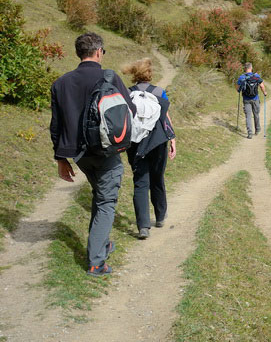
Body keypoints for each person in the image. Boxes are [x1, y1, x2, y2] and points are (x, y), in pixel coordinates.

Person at [50, 32, 135, 277]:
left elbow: (56, 125)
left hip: (79, 154)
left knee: (100, 195)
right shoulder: (109, 77)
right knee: (106, 202)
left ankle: (101, 244)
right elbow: (129, 110)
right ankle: (97, 261)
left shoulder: (61, 83)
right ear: (99, 52)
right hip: (107, 151)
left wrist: (61, 159)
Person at [123, 58, 176, 240]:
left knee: (140, 181)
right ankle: (160, 216)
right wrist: (172, 140)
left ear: (134, 74)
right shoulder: (159, 92)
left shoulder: (127, 94)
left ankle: (143, 226)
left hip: (135, 144)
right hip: (157, 141)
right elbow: (165, 118)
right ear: (150, 74)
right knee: (157, 177)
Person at [236, 62, 266, 138]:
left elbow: (237, 88)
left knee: (248, 116)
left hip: (246, 99)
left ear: (245, 68)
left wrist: (240, 89)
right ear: (251, 68)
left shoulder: (242, 77)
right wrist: (264, 93)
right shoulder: (256, 76)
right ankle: (257, 130)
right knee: (256, 114)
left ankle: (250, 133)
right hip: (255, 99)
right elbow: (262, 86)